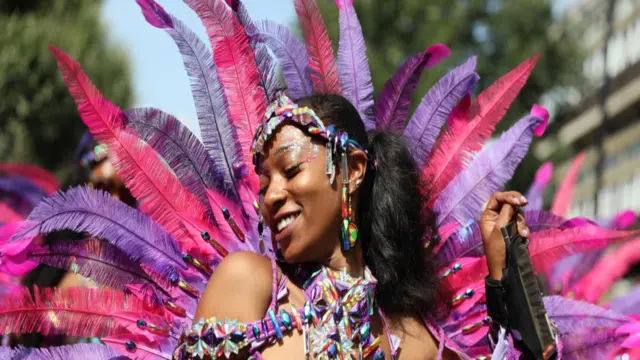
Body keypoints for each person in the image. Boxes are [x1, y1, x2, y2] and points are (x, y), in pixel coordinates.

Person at [0, 0, 637, 359]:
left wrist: (508, 277)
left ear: (353, 170)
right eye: (263, 178)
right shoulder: (247, 284)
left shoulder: (413, 338)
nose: (270, 193)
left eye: (289, 169)